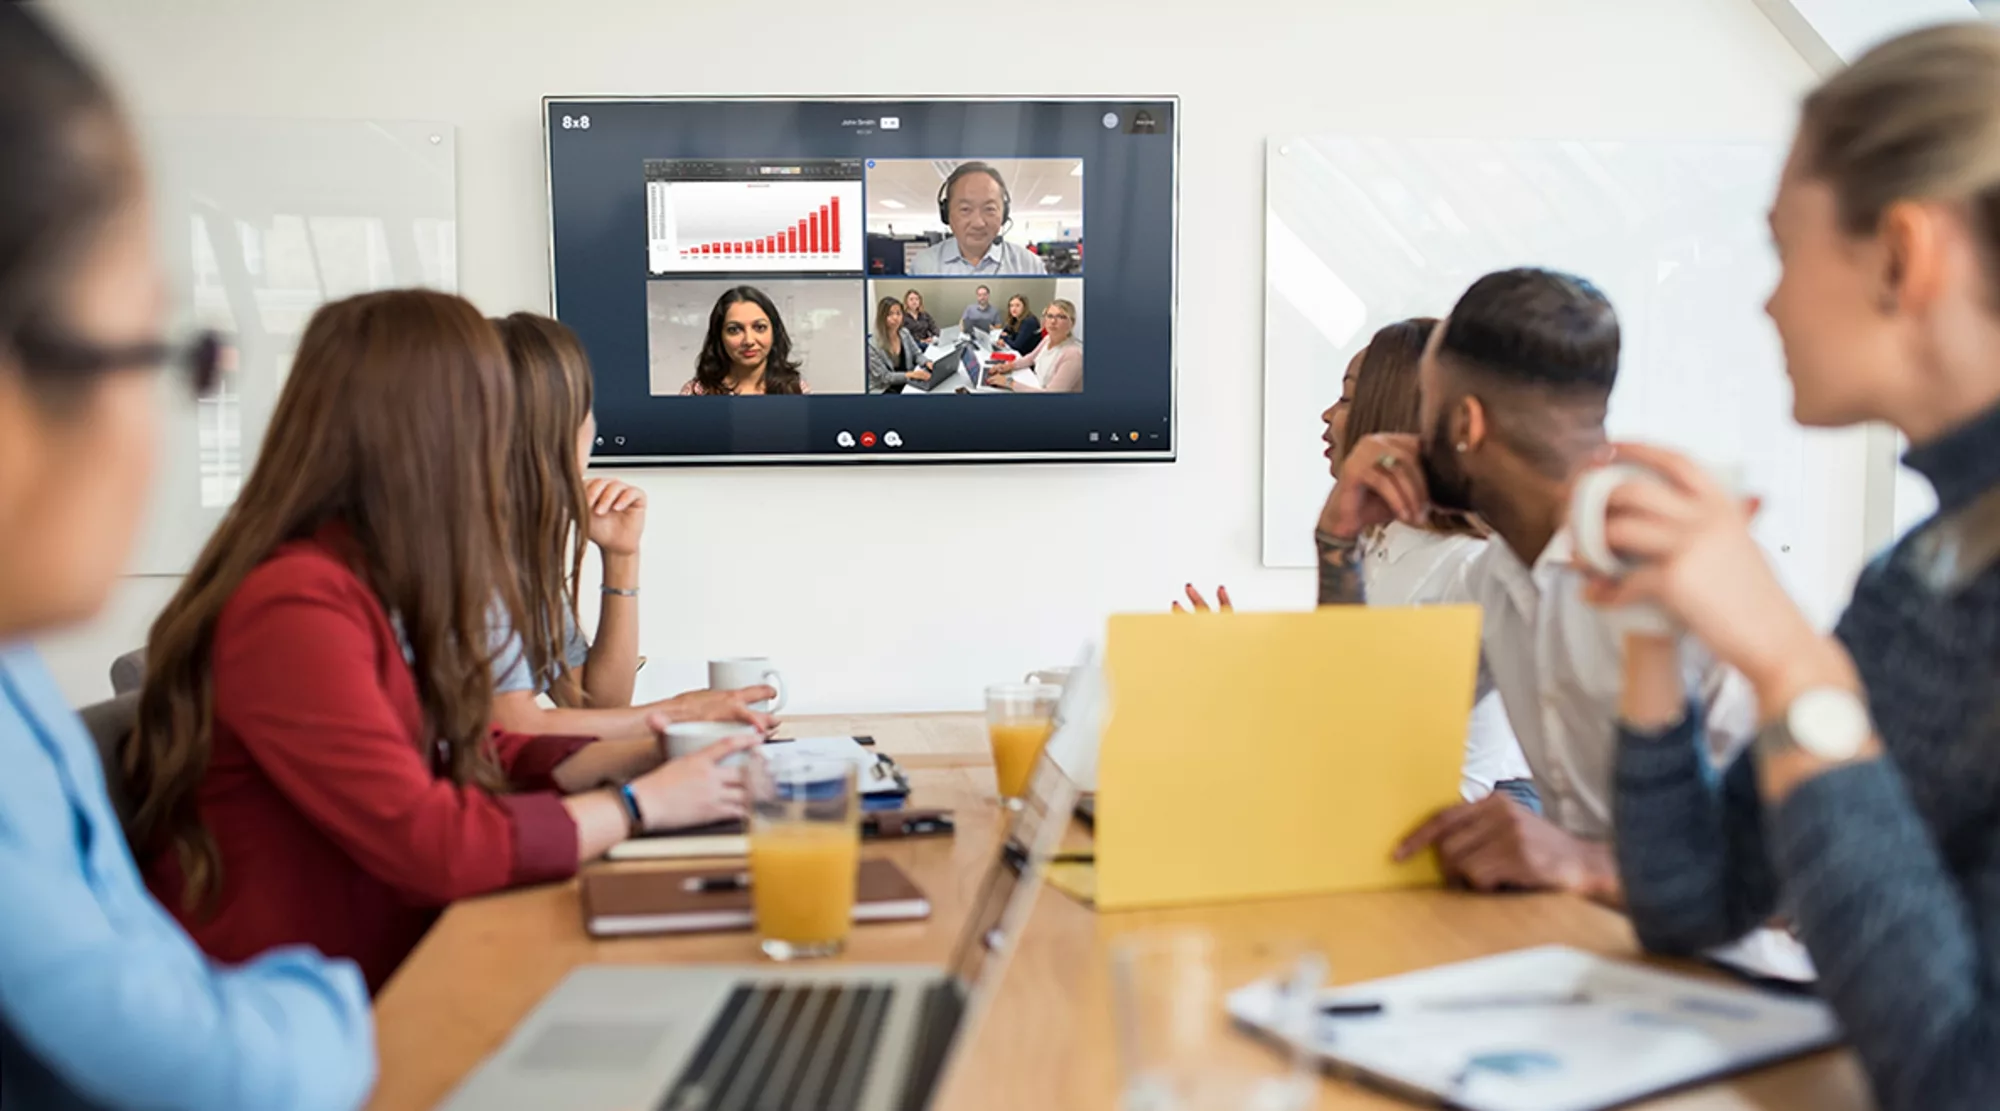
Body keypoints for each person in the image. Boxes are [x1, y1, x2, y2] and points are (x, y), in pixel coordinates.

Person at [128, 290, 758, 993]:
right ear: (429, 436)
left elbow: (473, 744)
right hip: (317, 1002)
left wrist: (645, 750)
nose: (523, 446)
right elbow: (432, 843)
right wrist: (641, 805)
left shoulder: (377, 572)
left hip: (400, 958)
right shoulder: (295, 604)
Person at [1594, 25, 2000, 1109]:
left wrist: (1789, 667)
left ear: (1902, 255)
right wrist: (1651, 628)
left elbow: (1960, 1079)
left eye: (1783, 248)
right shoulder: (1920, 576)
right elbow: (1690, 899)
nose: (1767, 301)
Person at [0, 9, 374, 1110]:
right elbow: (220, 1072)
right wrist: (326, 995)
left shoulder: (13, 671)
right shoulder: (301, 600)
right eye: (170, 351)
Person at [1320, 269, 1756, 902]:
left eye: (1426, 415)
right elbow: (1361, 726)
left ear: (1463, 426)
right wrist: (1337, 545)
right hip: (1598, 950)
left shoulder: (1674, 567)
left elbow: (1816, 855)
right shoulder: (1495, 579)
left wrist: (1586, 862)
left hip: (1748, 976)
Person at [1179, 319, 1534, 804]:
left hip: (1470, 828)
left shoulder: (1467, 567)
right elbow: (1348, 709)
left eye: (1346, 398)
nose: (1327, 415)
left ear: (1392, 413)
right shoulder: (1374, 551)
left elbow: (1460, 782)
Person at [489, 313, 776, 738]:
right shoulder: (464, 551)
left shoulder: (521, 548)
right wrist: (680, 713)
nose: (592, 423)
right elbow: (513, 725)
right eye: (584, 406)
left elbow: (596, 702)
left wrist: (622, 555)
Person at [907, 162, 1047, 276]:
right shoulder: (923, 265)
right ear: (947, 213)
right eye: (965, 209)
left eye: (989, 209)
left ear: (1004, 214)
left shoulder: (1029, 265)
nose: (978, 223)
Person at [678, 286, 811, 395]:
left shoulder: (796, 390)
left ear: (774, 332)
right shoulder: (695, 393)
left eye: (759, 327)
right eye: (734, 330)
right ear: (719, 336)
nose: (748, 340)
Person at [989, 299, 1082, 392]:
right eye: (1049, 316)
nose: (1053, 321)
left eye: (1061, 317)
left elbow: (1052, 396)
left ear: (1072, 323)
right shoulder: (1047, 339)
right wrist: (1008, 366)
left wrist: (1009, 383)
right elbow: (1030, 358)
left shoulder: (1073, 354)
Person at [865, 296, 933, 393]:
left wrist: (927, 363)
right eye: (890, 314)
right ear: (882, 317)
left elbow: (917, 354)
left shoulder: (904, 333)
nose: (895, 318)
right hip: (885, 387)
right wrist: (912, 375)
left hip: (906, 382)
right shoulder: (871, 345)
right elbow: (884, 377)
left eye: (898, 313)